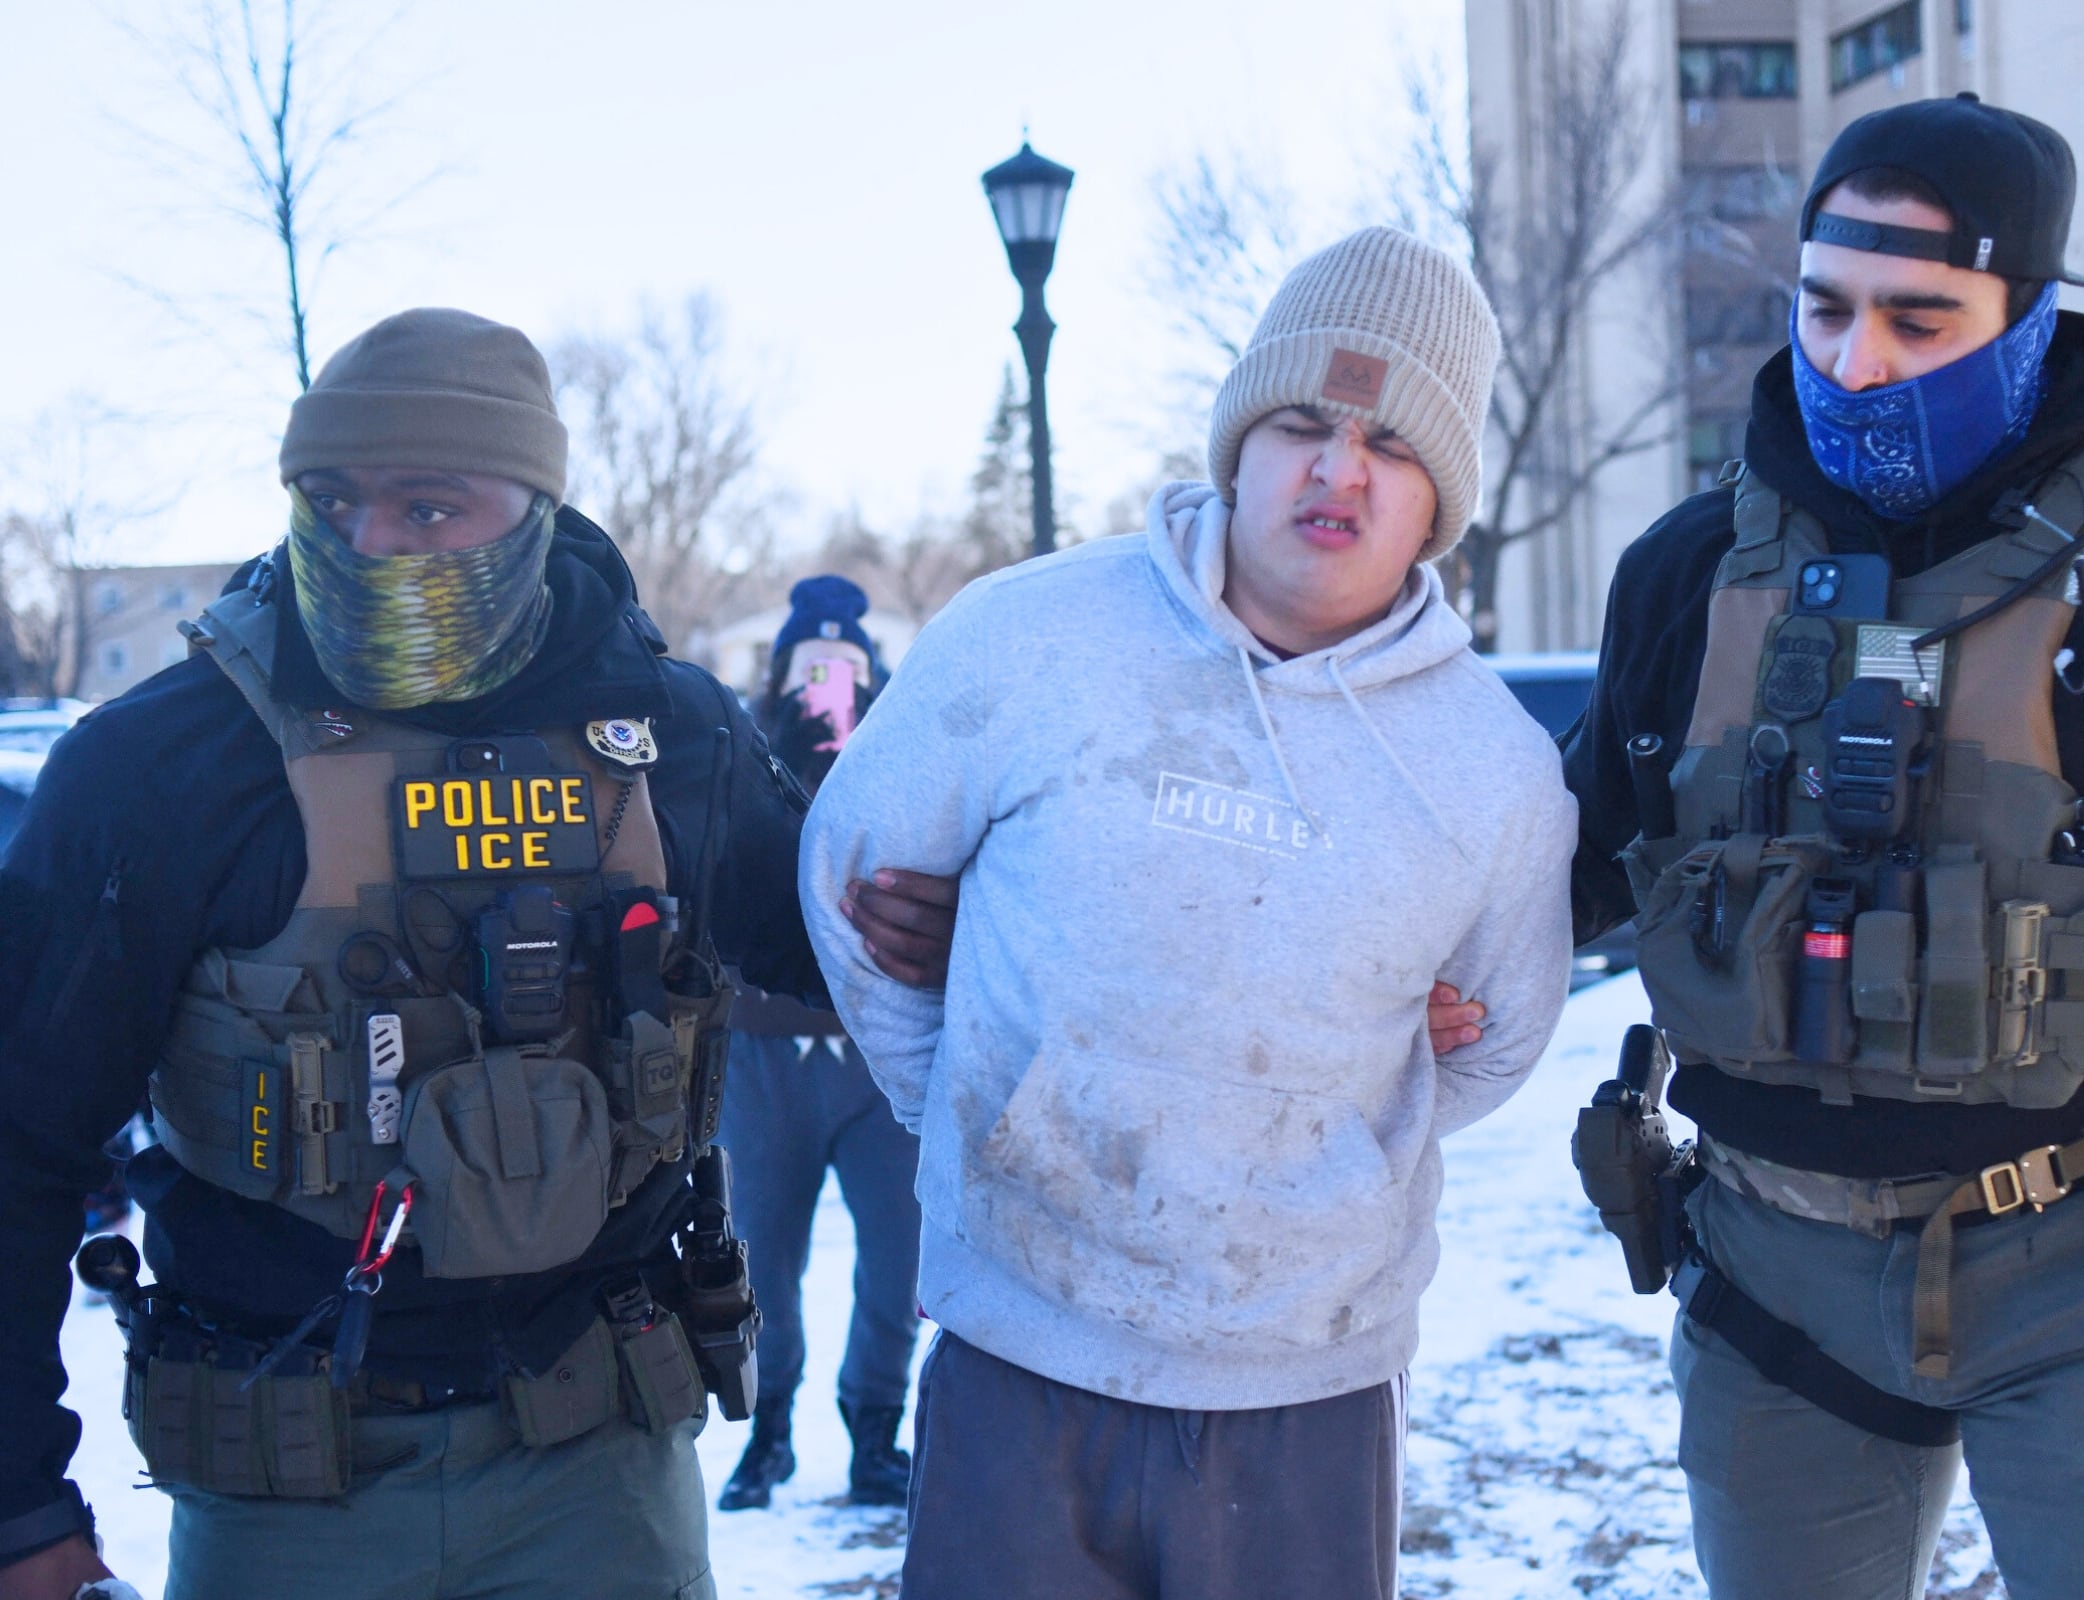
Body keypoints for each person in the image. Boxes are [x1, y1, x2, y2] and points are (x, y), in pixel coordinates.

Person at [1556, 95, 2084, 1599]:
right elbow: (1564, 861)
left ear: (2028, 319)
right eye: (1823, 309)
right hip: (1770, 1288)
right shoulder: (1688, 575)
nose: (1854, 363)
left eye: (1917, 319)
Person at [0, 309, 954, 1600]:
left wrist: (933, 907)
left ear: (535, 510)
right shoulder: (166, 766)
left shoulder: (671, 738)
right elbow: (20, 1136)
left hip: (601, 1475)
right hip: (290, 1487)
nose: (369, 543)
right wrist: (20, 1507)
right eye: (330, 500)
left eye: (430, 508)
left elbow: (843, 940)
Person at [799, 226, 1577, 1599]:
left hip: (1308, 1387)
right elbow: (855, 882)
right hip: (1018, 1357)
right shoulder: (1029, 637)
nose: (1338, 469)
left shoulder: (1496, 768)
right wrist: (979, 1108)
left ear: (1439, 493)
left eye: (1390, 445)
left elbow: (1501, 1034)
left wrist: (1318, 1145)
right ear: (1240, 443)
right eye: (1302, 422)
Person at [716, 575, 921, 1512]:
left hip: (881, 1050)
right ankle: (769, 1432)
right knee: (763, 1255)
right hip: (764, 1051)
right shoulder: (738, 750)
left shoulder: (907, 747)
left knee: (899, 1255)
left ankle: (876, 1430)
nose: (826, 679)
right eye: (810, 661)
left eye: (844, 661)